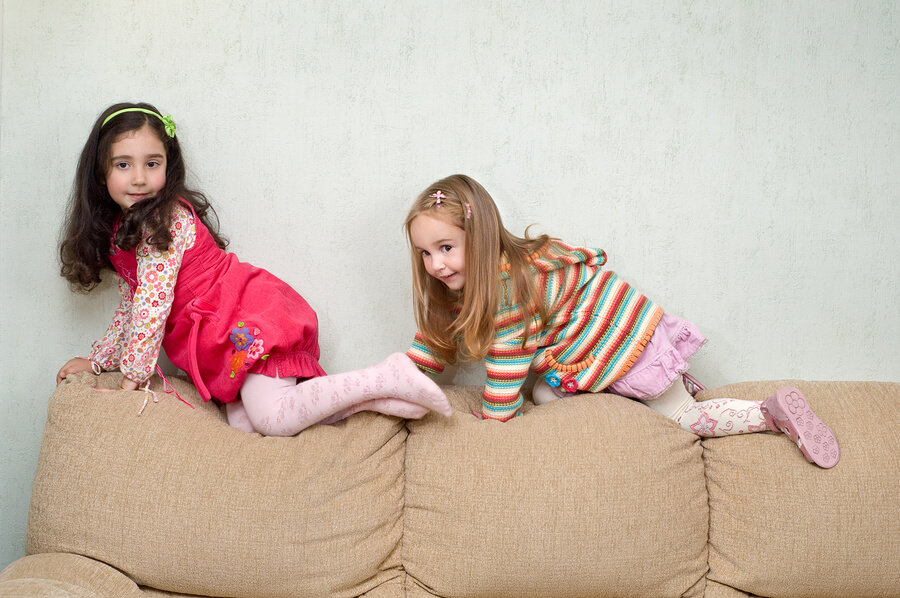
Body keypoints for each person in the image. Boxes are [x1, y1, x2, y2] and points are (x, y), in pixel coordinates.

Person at [56, 102, 451, 436]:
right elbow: (131, 303)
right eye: (123, 165)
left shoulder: (163, 222)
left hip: (242, 317)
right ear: (100, 173)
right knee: (248, 424)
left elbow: (151, 309)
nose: (139, 178)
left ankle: (383, 375)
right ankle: (389, 398)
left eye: (151, 163)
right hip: (222, 333)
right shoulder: (121, 231)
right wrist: (97, 361)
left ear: (168, 165)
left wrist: (132, 380)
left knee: (270, 417)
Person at [403, 174, 839, 468]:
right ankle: (658, 394)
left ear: (479, 237)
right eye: (425, 253)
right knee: (545, 393)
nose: (436, 264)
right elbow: (436, 340)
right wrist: (400, 378)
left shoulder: (509, 288)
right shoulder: (497, 274)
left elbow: (507, 363)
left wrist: (493, 424)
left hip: (627, 347)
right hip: (604, 343)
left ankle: (769, 413)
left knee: (687, 419)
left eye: (445, 247)